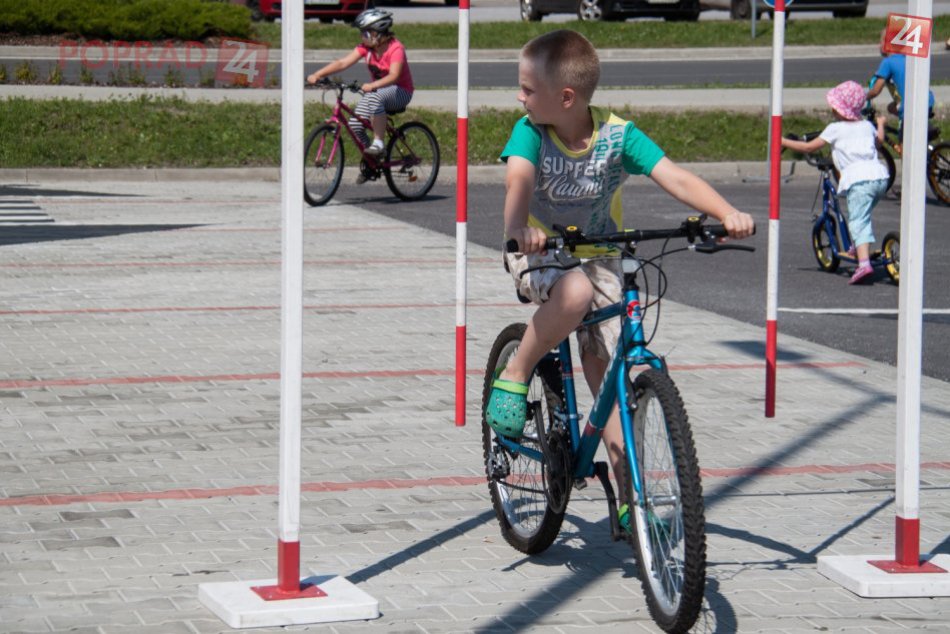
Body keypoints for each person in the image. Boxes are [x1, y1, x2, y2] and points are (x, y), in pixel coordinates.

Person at [486, 29, 755, 533]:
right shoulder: (530, 131)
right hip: (539, 249)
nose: (519, 98)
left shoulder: (618, 136)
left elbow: (673, 175)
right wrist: (518, 227)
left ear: (565, 97)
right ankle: (519, 370)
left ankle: (628, 487)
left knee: (608, 366)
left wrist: (726, 212)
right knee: (576, 293)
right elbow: (518, 180)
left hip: (600, 254)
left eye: (527, 89)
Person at [782, 80, 889, 285]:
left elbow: (808, 148)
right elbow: (879, 143)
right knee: (862, 214)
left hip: (860, 181)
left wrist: (783, 141)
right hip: (879, 178)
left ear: (840, 110)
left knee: (858, 220)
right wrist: (881, 124)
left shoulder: (835, 129)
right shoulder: (867, 125)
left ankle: (864, 263)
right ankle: (858, 245)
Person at [306, 9, 414, 164]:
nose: (362, 37)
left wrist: (373, 85)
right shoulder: (367, 48)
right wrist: (318, 75)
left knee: (376, 97)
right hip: (376, 92)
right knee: (355, 124)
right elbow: (343, 62)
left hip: (401, 92)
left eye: (366, 33)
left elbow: (394, 75)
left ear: (378, 33)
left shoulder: (396, 48)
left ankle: (378, 143)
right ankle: (371, 158)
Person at [867, 28, 935, 125]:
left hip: (910, 106)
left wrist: (864, 97)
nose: (879, 45)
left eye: (880, 42)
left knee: (905, 138)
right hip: (927, 101)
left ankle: (905, 128)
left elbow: (875, 91)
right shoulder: (911, 58)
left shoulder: (888, 62)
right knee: (891, 107)